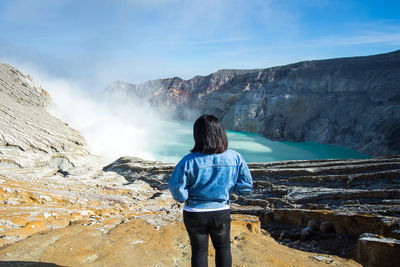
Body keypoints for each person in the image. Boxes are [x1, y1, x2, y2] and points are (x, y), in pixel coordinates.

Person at [168, 114, 253, 267]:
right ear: (221, 133)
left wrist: (187, 197)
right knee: (223, 249)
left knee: (199, 251)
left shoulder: (188, 161)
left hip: (194, 212)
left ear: (198, 136)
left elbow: (178, 191)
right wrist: (228, 191)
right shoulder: (235, 157)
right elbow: (246, 187)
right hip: (221, 211)